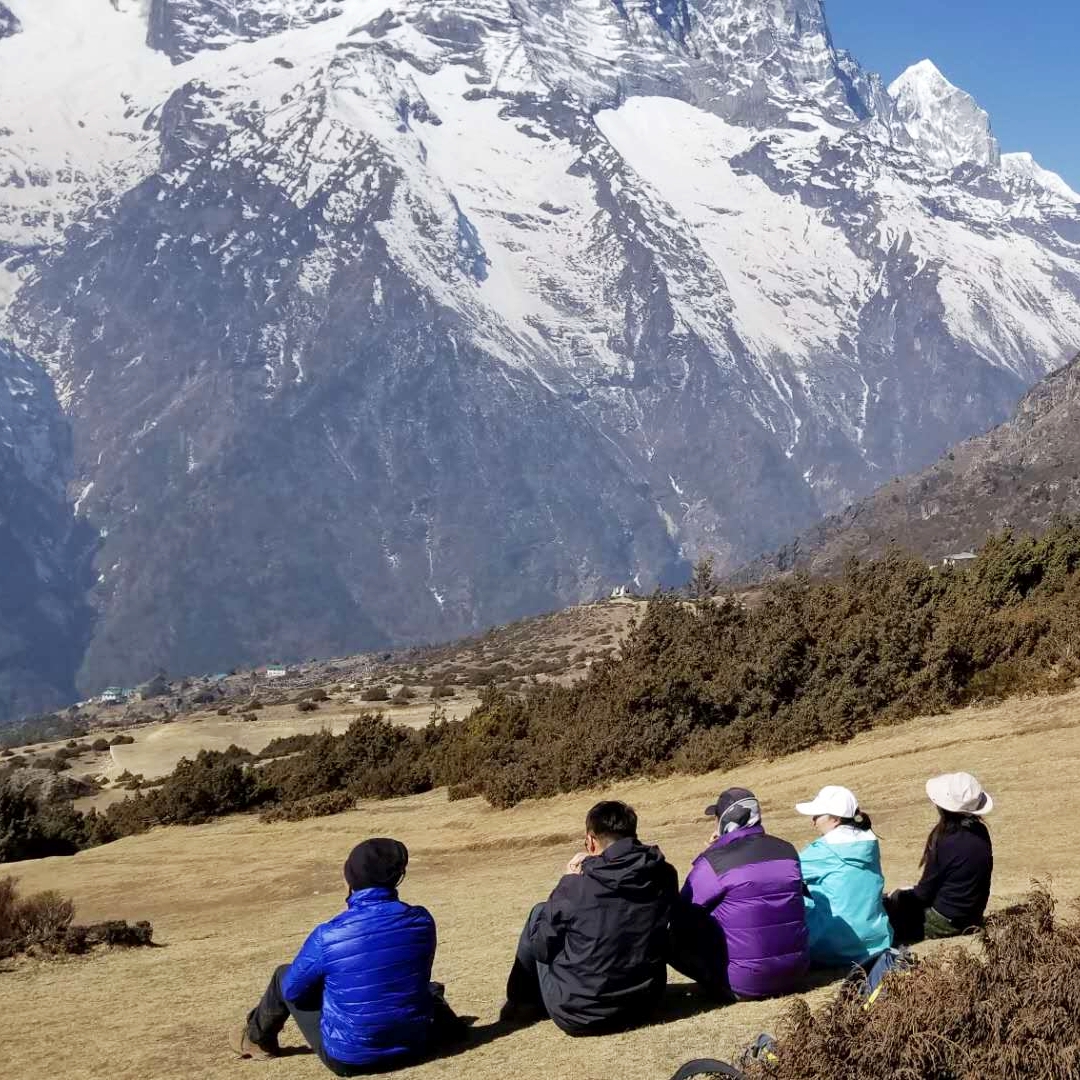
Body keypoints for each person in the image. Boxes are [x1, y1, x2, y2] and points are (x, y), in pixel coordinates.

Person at [235, 838, 461, 1074]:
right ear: (397, 876)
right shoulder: (422, 920)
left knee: (284, 975)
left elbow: (293, 992)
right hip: (417, 1045)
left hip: (351, 1058)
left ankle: (256, 1038)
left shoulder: (329, 935)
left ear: (351, 879)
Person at [500, 800, 678, 1035]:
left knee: (539, 914)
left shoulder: (576, 887)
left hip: (580, 1013)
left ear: (592, 841)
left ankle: (519, 1003)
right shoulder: (664, 874)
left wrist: (567, 883)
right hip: (645, 1004)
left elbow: (541, 948)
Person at [669, 787, 808, 1000]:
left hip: (743, 983)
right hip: (796, 974)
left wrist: (711, 852)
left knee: (668, 935)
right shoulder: (788, 851)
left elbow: (682, 911)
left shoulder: (715, 862)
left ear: (725, 821)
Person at [885, 772, 994, 943]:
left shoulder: (946, 840)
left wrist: (898, 897)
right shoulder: (981, 831)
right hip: (973, 916)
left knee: (888, 909)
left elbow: (924, 894)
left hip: (948, 921)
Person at [794, 785, 892, 967]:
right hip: (877, 940)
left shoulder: (823, 850)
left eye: (817, 815)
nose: (813, 821)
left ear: (835, 819)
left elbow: (785, 874)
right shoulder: (870, 841)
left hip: (834, 945)